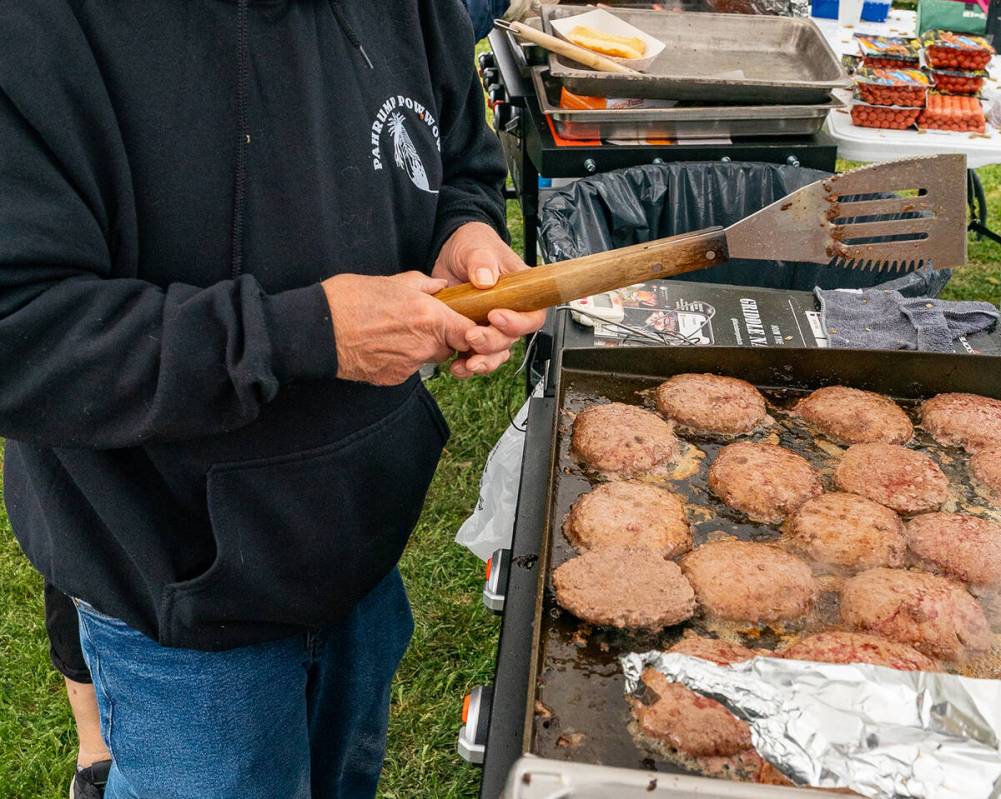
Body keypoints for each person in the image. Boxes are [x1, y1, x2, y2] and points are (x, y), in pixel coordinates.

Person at [0, 2, 545, 798]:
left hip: (361, 539)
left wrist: (460, 232)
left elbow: (455, 156)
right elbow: (22, 328)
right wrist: (307, 334)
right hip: (177, 584)